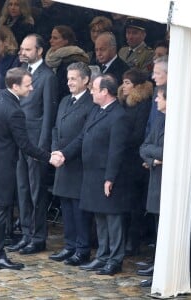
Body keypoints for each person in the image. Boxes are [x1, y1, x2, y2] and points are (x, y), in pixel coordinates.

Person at [0, 67, 57, 270]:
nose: (32, 88)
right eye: (28, 85)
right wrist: (49, 157)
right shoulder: (15, 111)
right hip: (3, 166)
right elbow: (25, 145)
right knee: (0, 208)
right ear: (15, 86)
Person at [53, 74, 132, 276]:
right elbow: (81, 138)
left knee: (113, 220)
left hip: (107, 175)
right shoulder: (97, 110)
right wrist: (64, 153)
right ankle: (102, 256)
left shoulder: (119, 116)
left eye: (94, 89)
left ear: (105, 91)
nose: (91, 92)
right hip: (91, 174)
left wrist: (110, 178)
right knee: (100, 218)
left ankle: (114, 259)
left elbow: (117, 151)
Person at [6, 34, 59, 255]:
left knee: (37, 191)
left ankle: (38, 237)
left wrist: (42, 147)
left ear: (40, 51)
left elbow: (48, 115)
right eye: (22, 48)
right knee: (22, 189)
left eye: (28, 49)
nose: (23, 52)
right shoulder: (21, 72)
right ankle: (26, 233)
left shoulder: (47, 77)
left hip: (36, 142)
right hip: (20, 140)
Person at [49, 62, 95, 265]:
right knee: (66, 206)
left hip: (77, 163)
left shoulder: (91, 103)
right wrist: (54, 151)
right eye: (68, 78)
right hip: (62, 161)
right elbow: (55, 128)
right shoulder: (65, 101)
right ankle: (69, 245)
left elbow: (84, 135)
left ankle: (82, 248)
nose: (69, 83)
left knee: (79, 209)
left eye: (73, 78)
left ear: (86, 80)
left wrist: (64, 154)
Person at [117, 68, 153, 256]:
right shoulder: (123, 104)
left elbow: (139, 133)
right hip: (122, 159)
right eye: (123, 82)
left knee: (134, 204)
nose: (124, 86)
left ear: (138, 86)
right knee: (122, 202)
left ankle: (133, 241)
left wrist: (119, 141)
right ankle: (121, 239)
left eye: (128, 83)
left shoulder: (143, 105)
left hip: (134, 161)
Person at [138, 84, 167, 286]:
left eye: (159, 97)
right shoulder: (159, 121)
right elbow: (144, 147)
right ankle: (158, 266)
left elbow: (169, 151)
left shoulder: (175, 122)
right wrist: (152, 160)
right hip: (156, 177)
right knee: (158, 226)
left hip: (168, 183)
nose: (156, 100)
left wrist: (154, 155)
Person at [45, 25, 89, 100]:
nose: (50, 40)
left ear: (66, 41)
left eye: (55, 38)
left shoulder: (74, 59)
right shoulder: (50, 57)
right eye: (51, 37)